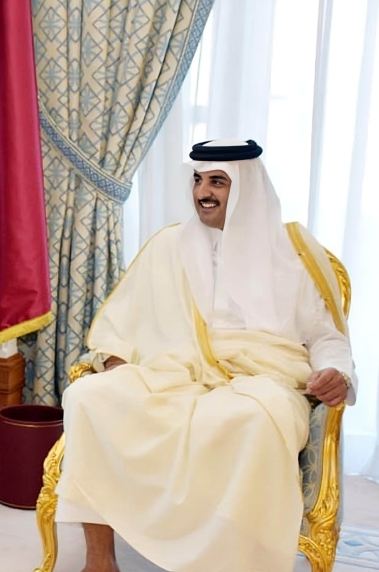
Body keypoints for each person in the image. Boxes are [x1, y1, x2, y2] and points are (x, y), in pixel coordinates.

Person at [55, 139, 356, 572]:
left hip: (263, 382)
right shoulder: (169, 245)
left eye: (218, 181)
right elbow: (121, 327)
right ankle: (100, 561)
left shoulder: (293, 254)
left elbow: (326, 336)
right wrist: (116, 363)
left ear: (247, 188)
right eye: (197, 180)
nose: (202, 192)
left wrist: (336, 371)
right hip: (176, 373)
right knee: (91, 396)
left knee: (252, 420)